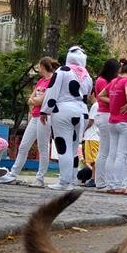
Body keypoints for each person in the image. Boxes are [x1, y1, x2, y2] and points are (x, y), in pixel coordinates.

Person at [0, 57, 57, 186]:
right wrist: (36, 100)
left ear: (43, 66)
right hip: (34, 116)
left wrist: (36, 100)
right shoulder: (40, 81)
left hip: (45, 116)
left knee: (43, 147)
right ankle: (13, 174)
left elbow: (41, 100)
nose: (38, 69)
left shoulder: (53, 81)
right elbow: (30, 99)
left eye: (39, 66)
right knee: (23, 146)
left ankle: (40, 178)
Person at [40, 46, 93, 190]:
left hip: (63, 111)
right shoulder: (87, 76)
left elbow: (52, 91)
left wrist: (45, 110)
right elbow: (87, 95)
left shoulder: (62, 71)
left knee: (63, 148)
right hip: (82, 113)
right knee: (74, 148)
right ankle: (71, 181)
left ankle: (64, 182)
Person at [98, 60, 127, 194]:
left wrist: (114, 102)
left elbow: (101, 95)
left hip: (113, 120)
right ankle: (119, 184)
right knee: (122, 154)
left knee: (112, 154)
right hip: (125, 121)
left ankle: (110, 183)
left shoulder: (114, 81)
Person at [92, 58, 121, 191]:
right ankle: (101, 180)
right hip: (105, 114)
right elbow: (108, 97)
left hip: (105, 114)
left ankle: (101, 180)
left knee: (106, 149)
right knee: (105, 150)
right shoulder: (102, 81)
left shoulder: (103, 80)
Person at [82, 100, 100, 187]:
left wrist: (82, 130)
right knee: (95, 159)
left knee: (93, 160)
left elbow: (91, 121)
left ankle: (94, 179)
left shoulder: (96, 105)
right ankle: (96, 178)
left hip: (92, 136)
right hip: (98, 136)